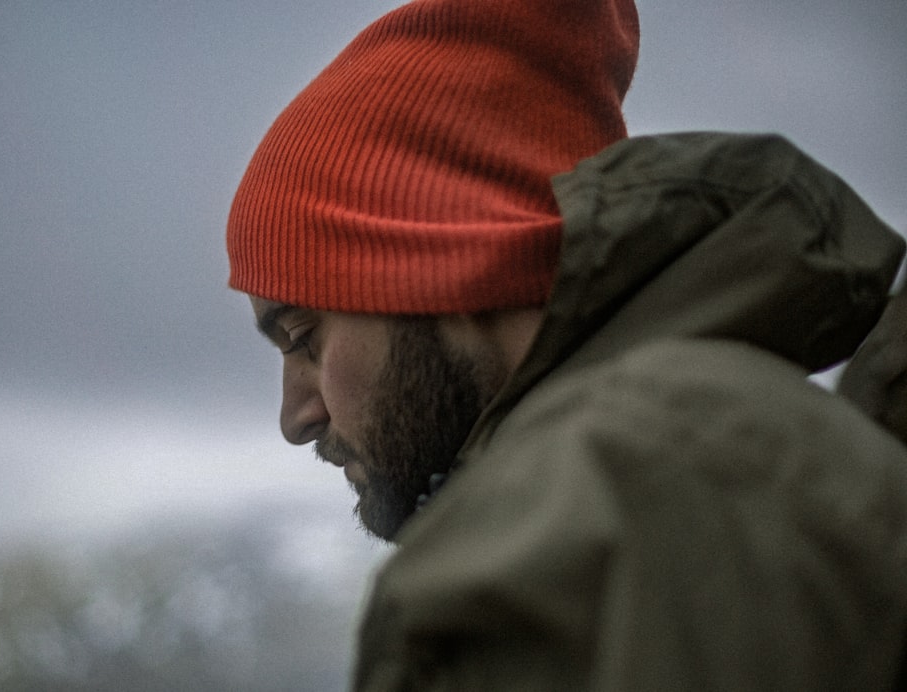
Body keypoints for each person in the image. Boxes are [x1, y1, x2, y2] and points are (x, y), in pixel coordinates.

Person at [227, 0, 907, 688]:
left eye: (304, 339)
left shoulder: (578, 535)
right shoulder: (707, 453)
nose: (295, 418)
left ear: (439, 269)